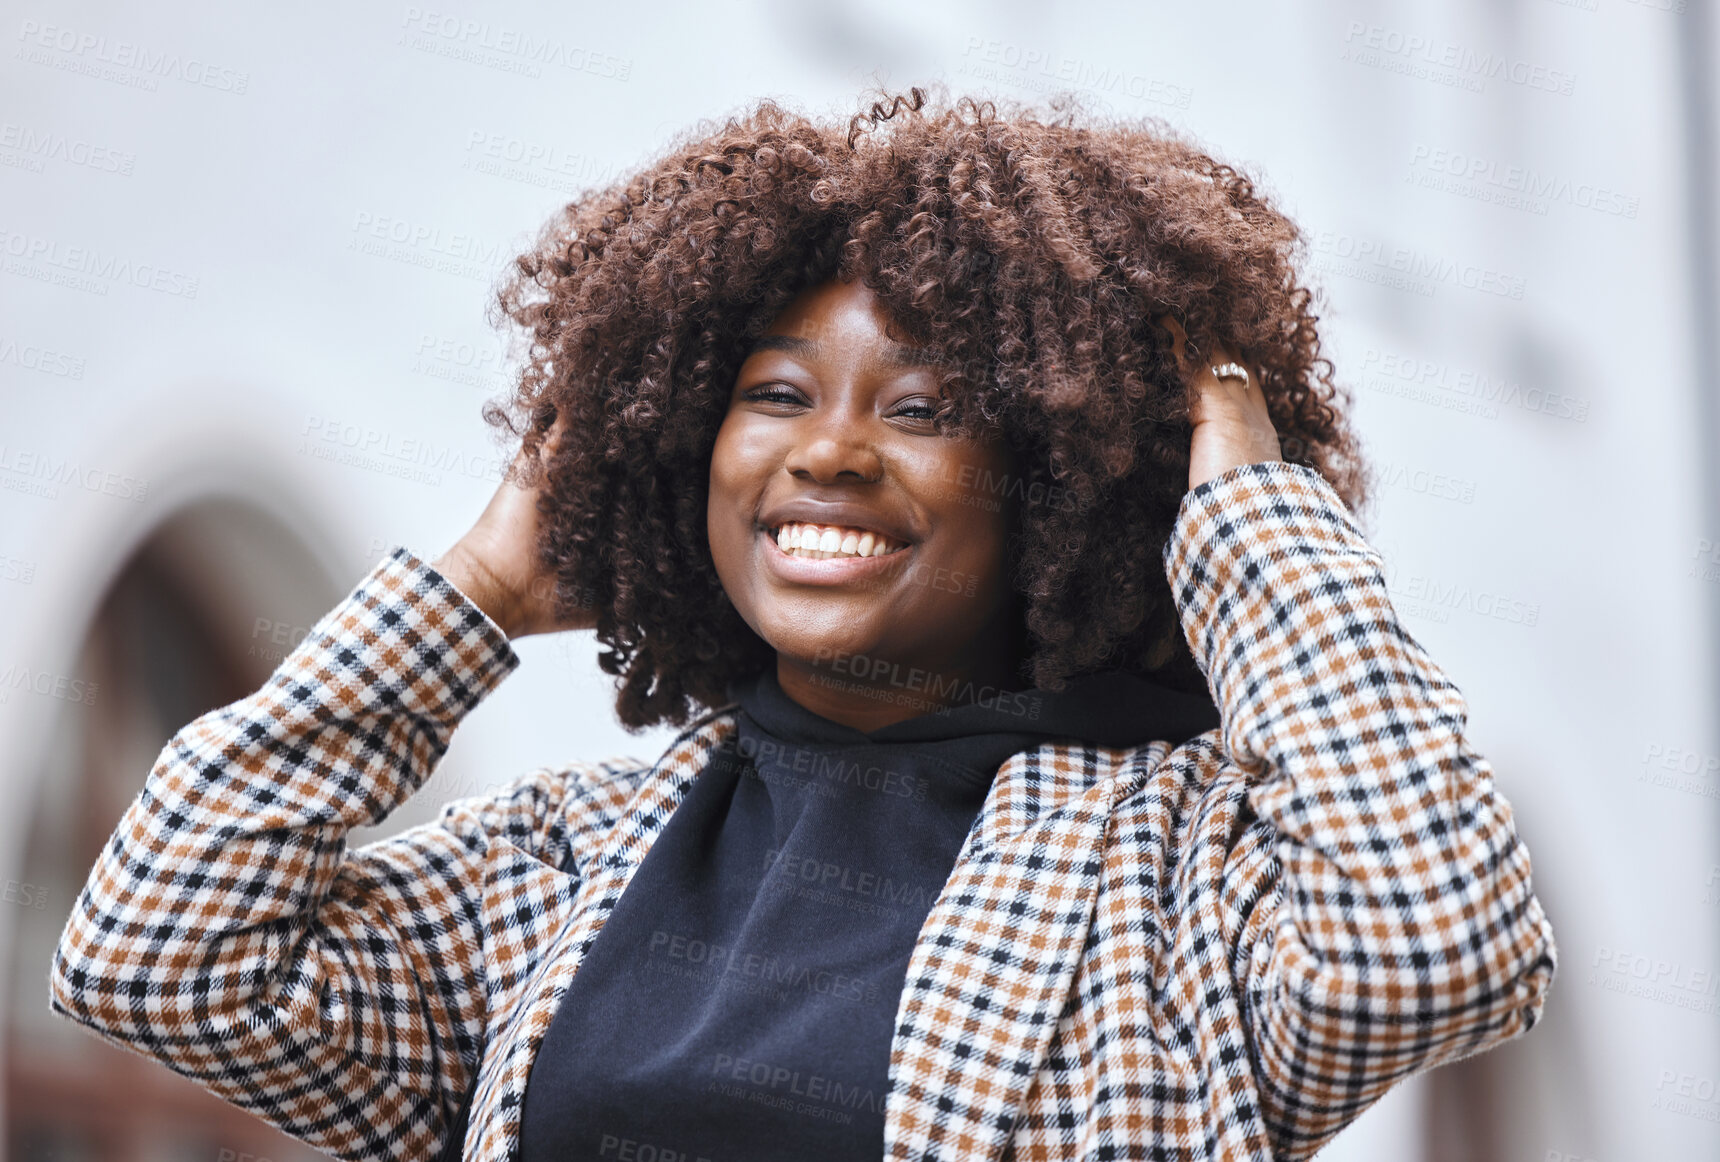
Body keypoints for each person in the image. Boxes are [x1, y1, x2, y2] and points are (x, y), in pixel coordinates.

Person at [48, 88, 1556, 1162]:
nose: (826, 452)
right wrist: (483, 585)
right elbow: (158, 954)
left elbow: (1429, 949)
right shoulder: (557, 866)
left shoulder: (1180, 873)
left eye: (923, 409)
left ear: (1067, 475)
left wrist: (1239, 501)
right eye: (771, 394)